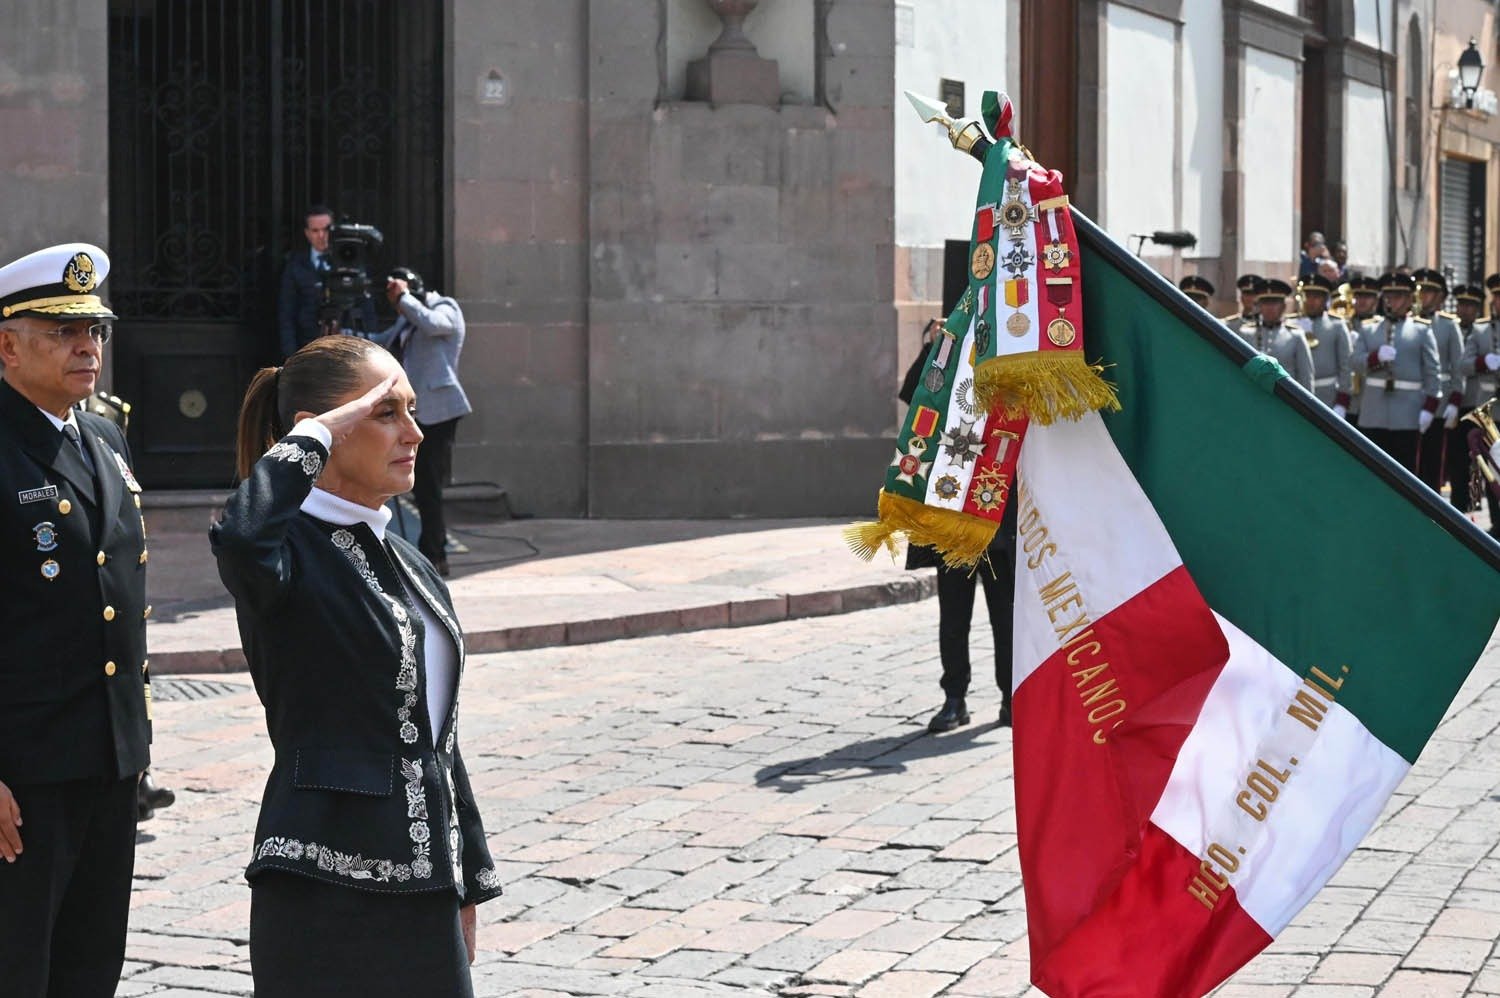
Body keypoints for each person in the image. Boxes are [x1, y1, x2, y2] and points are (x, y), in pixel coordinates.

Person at [211, 335, 502, 997]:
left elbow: (437, 736)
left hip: (424, 886)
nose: (414, 432)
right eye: (385, 413)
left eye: (412, 409)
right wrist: (317, 434)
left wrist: (466, 878)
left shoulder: (409, 561)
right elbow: (239, 535)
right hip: (321, 888)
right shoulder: (285, 552)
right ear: (319, 433)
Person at [0, 243, 151, 998]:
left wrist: (133, 744)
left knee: (91, 965)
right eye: (63, 330)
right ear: (7, 343)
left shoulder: (102, 437)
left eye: (95, 329)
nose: (87, 346)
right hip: (23, 775)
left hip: (107, 759)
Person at [897, 321, 1017, 732]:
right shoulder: (946, 371)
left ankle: (1011, 697)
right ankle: (955, 698)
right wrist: (933, 345)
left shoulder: (1010, 364)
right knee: (953, 617)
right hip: (950, 514)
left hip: (996, 514)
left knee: (1006, 616)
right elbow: (914, 392)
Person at [368, 266, 471, 576]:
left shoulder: (444, 306)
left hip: (440, 410)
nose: (396, 302)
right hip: (415, 413)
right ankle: (428, 550)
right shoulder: (406, 318)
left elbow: (436, 325)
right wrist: (343, 336)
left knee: (428, 484)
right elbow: (380, 343)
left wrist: (405, 298)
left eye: (398, 293)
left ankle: (435, 555)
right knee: (419, 485)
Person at [1352, 272, 1440, 471]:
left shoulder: (1421, 330)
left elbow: (1432, 372)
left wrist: (1429, 407)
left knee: (1404, 470)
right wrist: (1374, 358)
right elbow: (1354, 362)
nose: (1392, 301)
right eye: (1388, 296)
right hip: (1373, 412)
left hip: (1407, 412)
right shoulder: (1369, 329)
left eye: (1398, 296)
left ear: (1410, 299)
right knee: (1371, 470)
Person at [276, 205, 378, 360]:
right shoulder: (295, 265)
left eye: (326, 230)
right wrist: (290, 355)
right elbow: (286, 313)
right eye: (315, 231)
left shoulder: (351, 261)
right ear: (307, 233)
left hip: (347, 348)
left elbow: (366, 308)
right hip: (307, 346)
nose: (322, 236)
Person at [1412, 269, 1465, 492]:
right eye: (1420, 291)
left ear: (1441, 297)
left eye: (1430, 292)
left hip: (1440, 401)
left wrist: (1455, 400)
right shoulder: (1409, 323)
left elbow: (1458, 365)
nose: (1423, 296)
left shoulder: (1448, 324)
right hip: (1411, 398)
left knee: (1434, 458)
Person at [1455, 283, 1498, 523]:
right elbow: (1463, 364)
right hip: (1490, 412)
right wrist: (1483, 363)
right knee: (1492, 468)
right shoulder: (1481, 331)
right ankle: (1496, 522)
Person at [1238, 277, 1314, 391]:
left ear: (1283, 306)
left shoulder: (1295, 335)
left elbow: (1306, 376)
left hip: (1286, 398)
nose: (1270, 308)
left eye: (1274, 303)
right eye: (1265, 303)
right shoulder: (1246, 333)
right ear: (1259, 306)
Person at [1298, 273, 1352, 416]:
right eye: (1308, 296)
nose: (1311, 301)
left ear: (1325, 300)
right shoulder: (1291, 324)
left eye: (1316, 297)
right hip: (1295, 392)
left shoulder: (1336, 325)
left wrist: (1342, 402)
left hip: (1328, 396)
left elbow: (1346, 365)